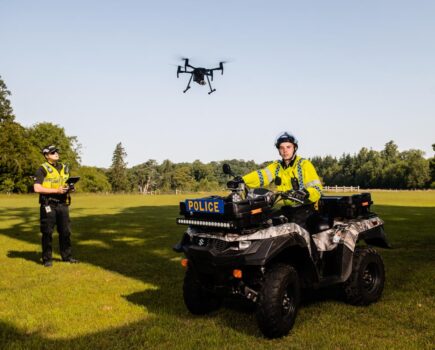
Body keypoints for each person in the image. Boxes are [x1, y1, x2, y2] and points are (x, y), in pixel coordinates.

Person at [242, 132, 323, 230]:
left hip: (305, 208)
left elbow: (317, 189)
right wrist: (242, 180)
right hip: (287, 208)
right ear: (279, 150)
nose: (285, 150)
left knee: (294, 234)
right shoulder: (277, 166)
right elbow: (261, 175)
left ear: (294, 148)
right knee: (265, 223)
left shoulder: (304, 165)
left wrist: (305, 193)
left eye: (288, 147)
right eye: (281, 148)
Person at [34, 145, 79, 267]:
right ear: (46, 155)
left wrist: (70, 188)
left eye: (57, 152)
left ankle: (67, 257)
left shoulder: (64, 168)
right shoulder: (42, 169)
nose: (56, 154)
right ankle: (47, 259)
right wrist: (56, 191)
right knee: (47, 232)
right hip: (48, 204)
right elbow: (36, 188)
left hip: (63, 204)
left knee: (65, 232)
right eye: (53, 152)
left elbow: (64, 184)